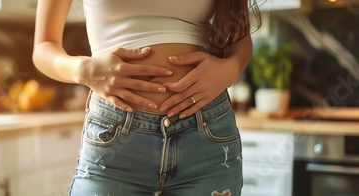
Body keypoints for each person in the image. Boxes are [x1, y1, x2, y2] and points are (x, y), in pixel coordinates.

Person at [33, 0, 261, 195]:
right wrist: (83, 69)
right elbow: (44, 47)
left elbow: (239, 36)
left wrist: (230, 69)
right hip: (115, 138)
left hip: (207, 133)